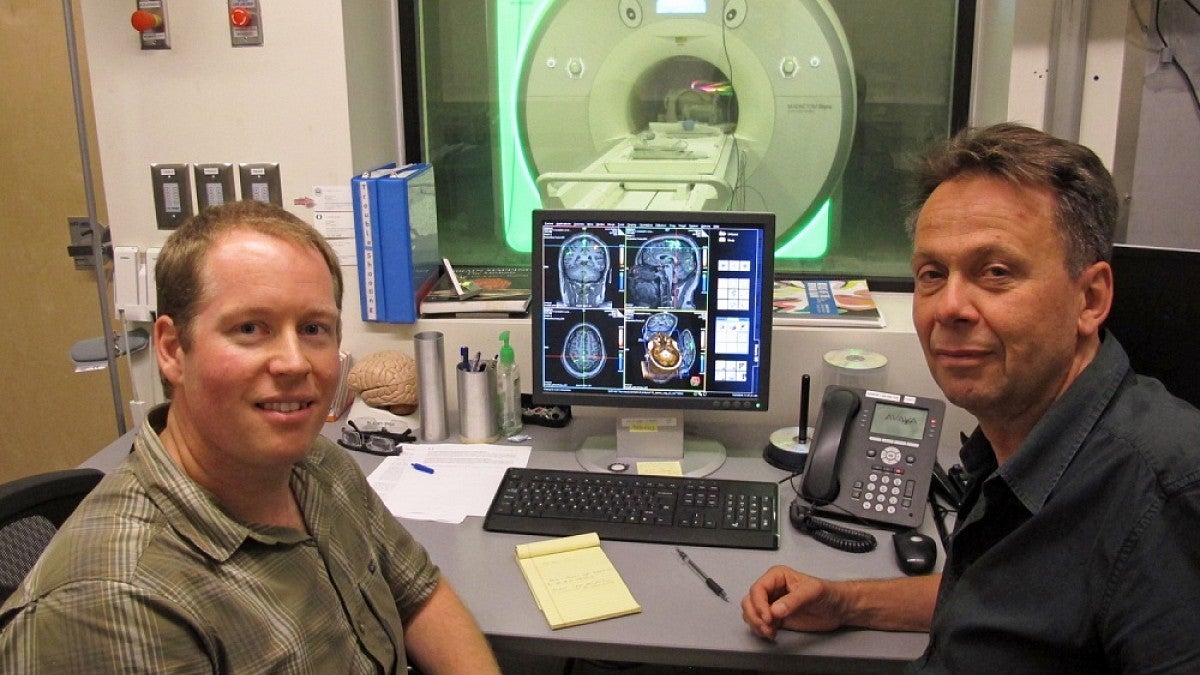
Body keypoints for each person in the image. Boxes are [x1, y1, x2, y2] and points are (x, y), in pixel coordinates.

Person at [742, 123, 1200, 672]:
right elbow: (1007, 597)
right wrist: (846, 601)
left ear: (1091, 298)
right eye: (932, 274)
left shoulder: (1167, 499)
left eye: (996, 272)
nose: (949, 307)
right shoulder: (1013, 442)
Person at [0, 201, 501, 674]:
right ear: (173, 350)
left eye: (313, 328)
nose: (293, 362)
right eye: (249, 328)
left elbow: (418, 592)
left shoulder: (316, 466)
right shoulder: (112, 603)